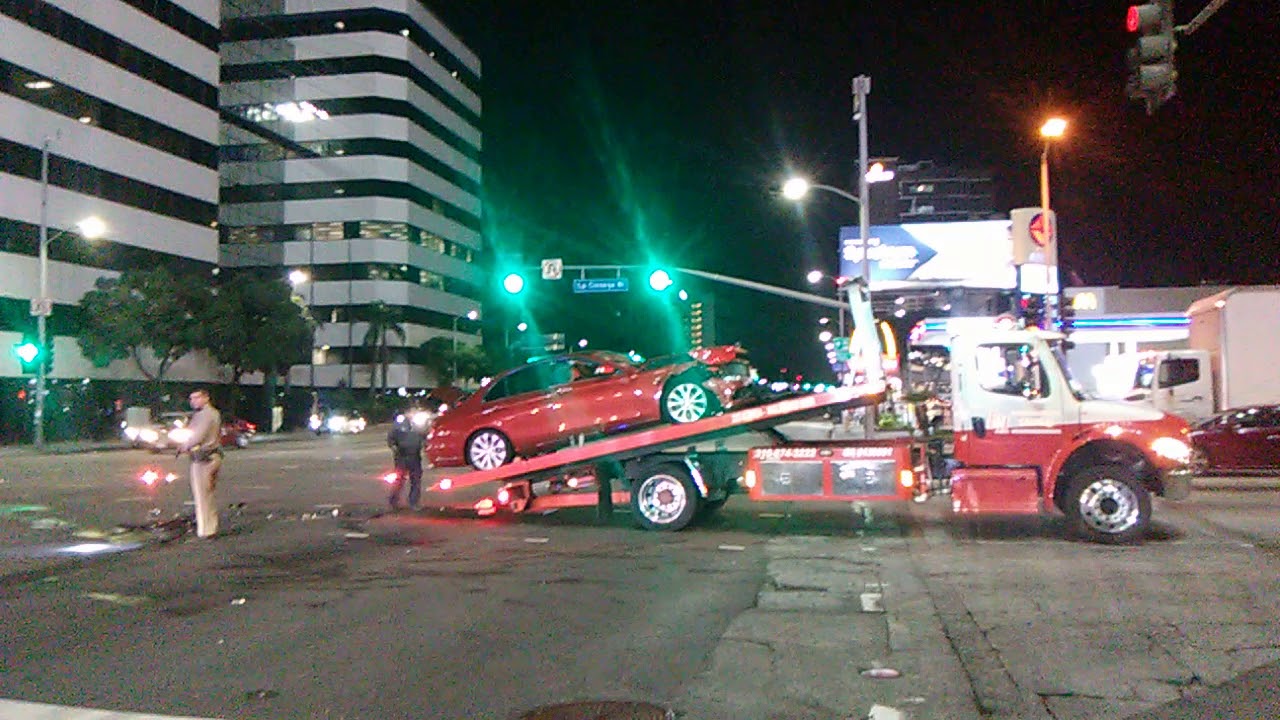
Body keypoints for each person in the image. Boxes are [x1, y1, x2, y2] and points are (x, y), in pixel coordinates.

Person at [180, 388, 223, 539]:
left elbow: (198, 436)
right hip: (211, 456)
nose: (193, 401)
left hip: (204, 458)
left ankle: (206, 530)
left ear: (206, 398)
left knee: (202, 495)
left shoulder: (206, 414)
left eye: (197, 398)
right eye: (191, 399)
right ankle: (208, 527)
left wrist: (184, 446)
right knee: (207, 493)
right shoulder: (208, 414)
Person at [387, 411, 426, 510]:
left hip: (415, 457)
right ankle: (393, 500)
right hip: (402, 457)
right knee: (400, 480)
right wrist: (395, 448)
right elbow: (391, 440)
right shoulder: (398, 425)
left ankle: (413, 502)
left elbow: (424, 437)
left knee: (416, 480)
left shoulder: (417, 425)